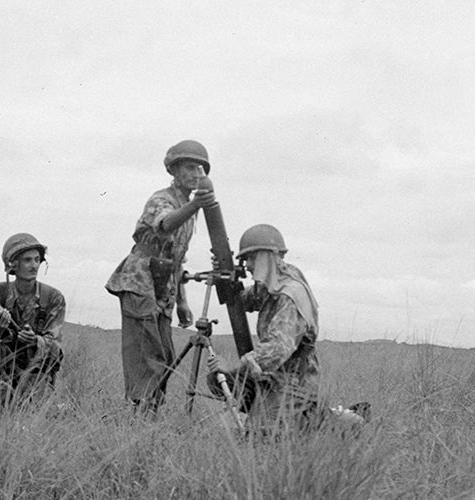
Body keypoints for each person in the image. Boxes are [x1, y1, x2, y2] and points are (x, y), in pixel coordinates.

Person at [206, 224, 364, 433]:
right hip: (271, 376)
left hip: (294, 384)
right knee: (220, 380)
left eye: (252, 258)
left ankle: (335, 421)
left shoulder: (290, 294)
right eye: (245, 260)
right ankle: (268, 411)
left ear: (267, 256)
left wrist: (234, 363)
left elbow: (277, 350)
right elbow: (241, 301)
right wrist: (224, 277)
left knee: (261, 439)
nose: (249, 265)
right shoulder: (274, 282)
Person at [105, 140, 217, 414]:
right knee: (147, 354)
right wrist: (196, 206)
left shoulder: (189, 211)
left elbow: (178, 259)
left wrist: (182, 301)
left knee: (164, 355)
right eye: (190, 167)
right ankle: (141, 417)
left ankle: (148, 415)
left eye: (200, 168)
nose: (197, 174)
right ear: (175, 171)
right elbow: (165, 224)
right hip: (139, 280)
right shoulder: (162, 200)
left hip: (163, 287)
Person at [0, 233, 66, 408]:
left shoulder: (53, 298)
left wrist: (35, 341)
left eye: (37, 260)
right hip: (0, 367)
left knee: (34, 410)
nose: (34, 265)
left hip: (34, 368)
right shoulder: (0, 292)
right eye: (27, 260)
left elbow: (55, 344)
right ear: (13, 265)